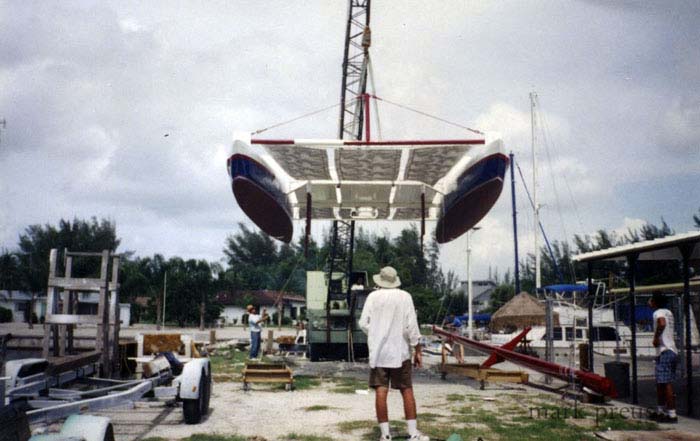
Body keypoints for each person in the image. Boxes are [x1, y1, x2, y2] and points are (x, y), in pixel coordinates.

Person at [359, 266, 428, 441]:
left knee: (381, 391)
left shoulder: (373, 297)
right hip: (400, 351)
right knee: (406, 390)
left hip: (380, 353)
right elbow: (411, 327)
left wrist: (375, 334)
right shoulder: (405, 297)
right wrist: (417, 349)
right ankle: (413, 434)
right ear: (395, 280)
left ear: (380, 281)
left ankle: (385, 435)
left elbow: (363, 323)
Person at [648, 292, 678, 423]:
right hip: (672, 350)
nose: (649, 302)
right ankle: (660, 410)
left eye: (651, 299)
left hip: (664, 350)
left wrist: (655, 337)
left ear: (655, 302)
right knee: (661, 382)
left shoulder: (658, 313)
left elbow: (661, 323)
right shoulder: (669, 312)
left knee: (665, 383)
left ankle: (671, 414)